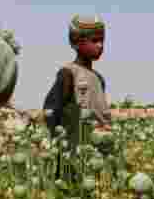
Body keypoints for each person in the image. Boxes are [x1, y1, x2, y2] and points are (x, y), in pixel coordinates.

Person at [43, 15, 112, 180]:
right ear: (77, 42)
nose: (100, 45)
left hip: (98, 153)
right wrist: (61, 146)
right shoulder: (68, 73)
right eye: (94, 40)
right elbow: (51, 111)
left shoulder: (99, 78)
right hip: (73, 155)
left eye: (102, 40)